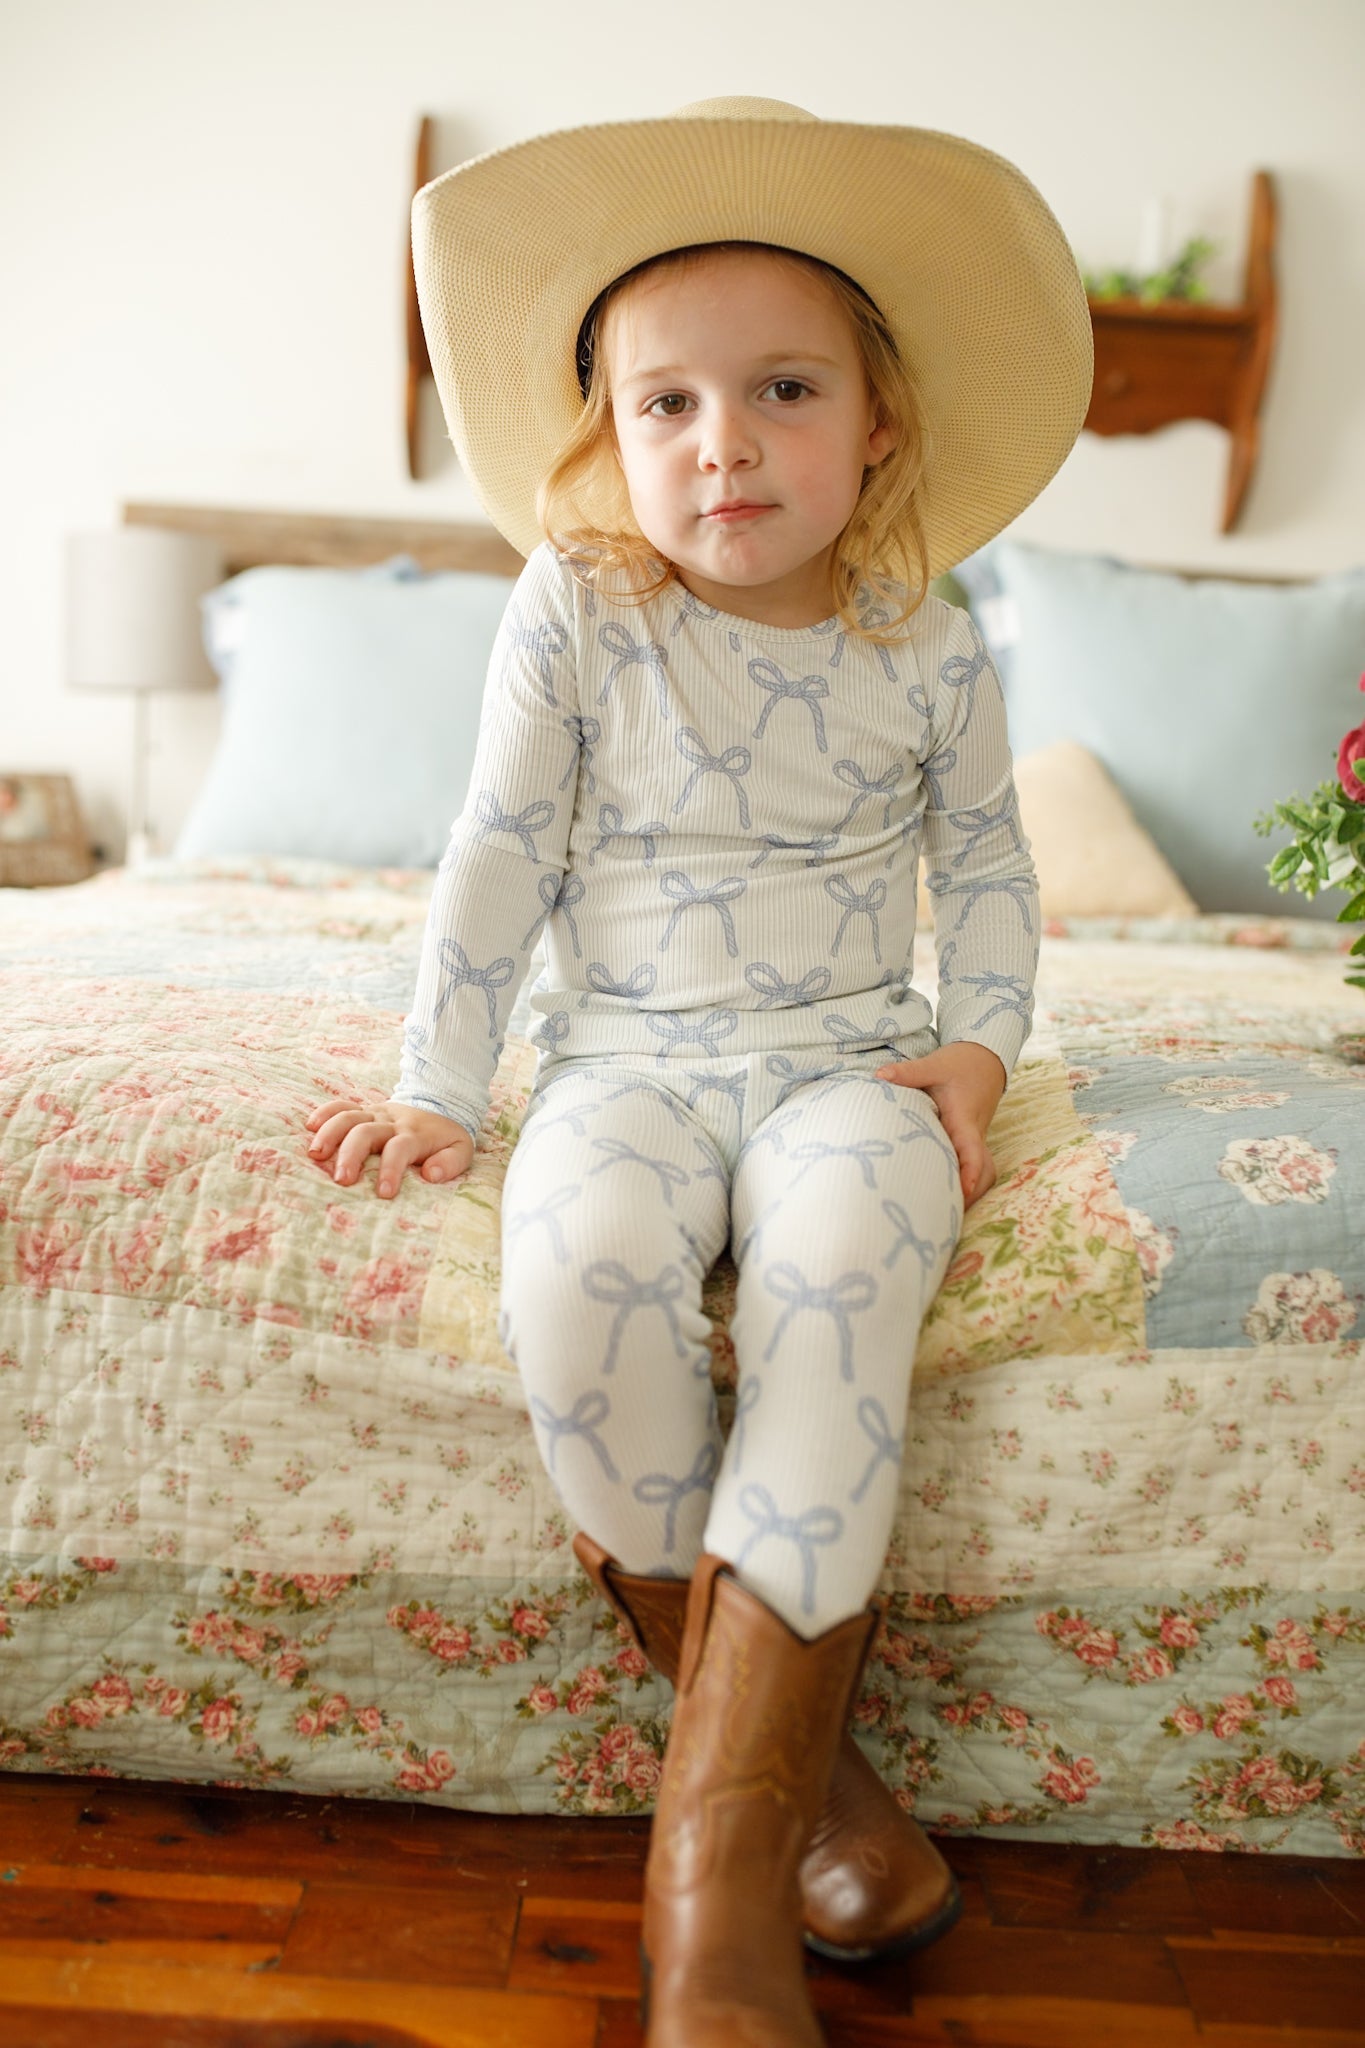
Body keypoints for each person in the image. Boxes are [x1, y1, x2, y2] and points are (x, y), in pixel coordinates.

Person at [307, 97, 1091, 2048]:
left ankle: (713, 1935)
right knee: (575, 1289)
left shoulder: (930, 640)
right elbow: (498, 854)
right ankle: (813, 1812)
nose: (720, 441)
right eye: (664, 403)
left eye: (780, 389)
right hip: (623, 1066)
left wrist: (977, 1050)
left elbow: (993, 874)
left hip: (854, 1067)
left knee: (838, 1307)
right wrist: (440, 1088)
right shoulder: (577, 608)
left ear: (877, 423)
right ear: (608, 435)